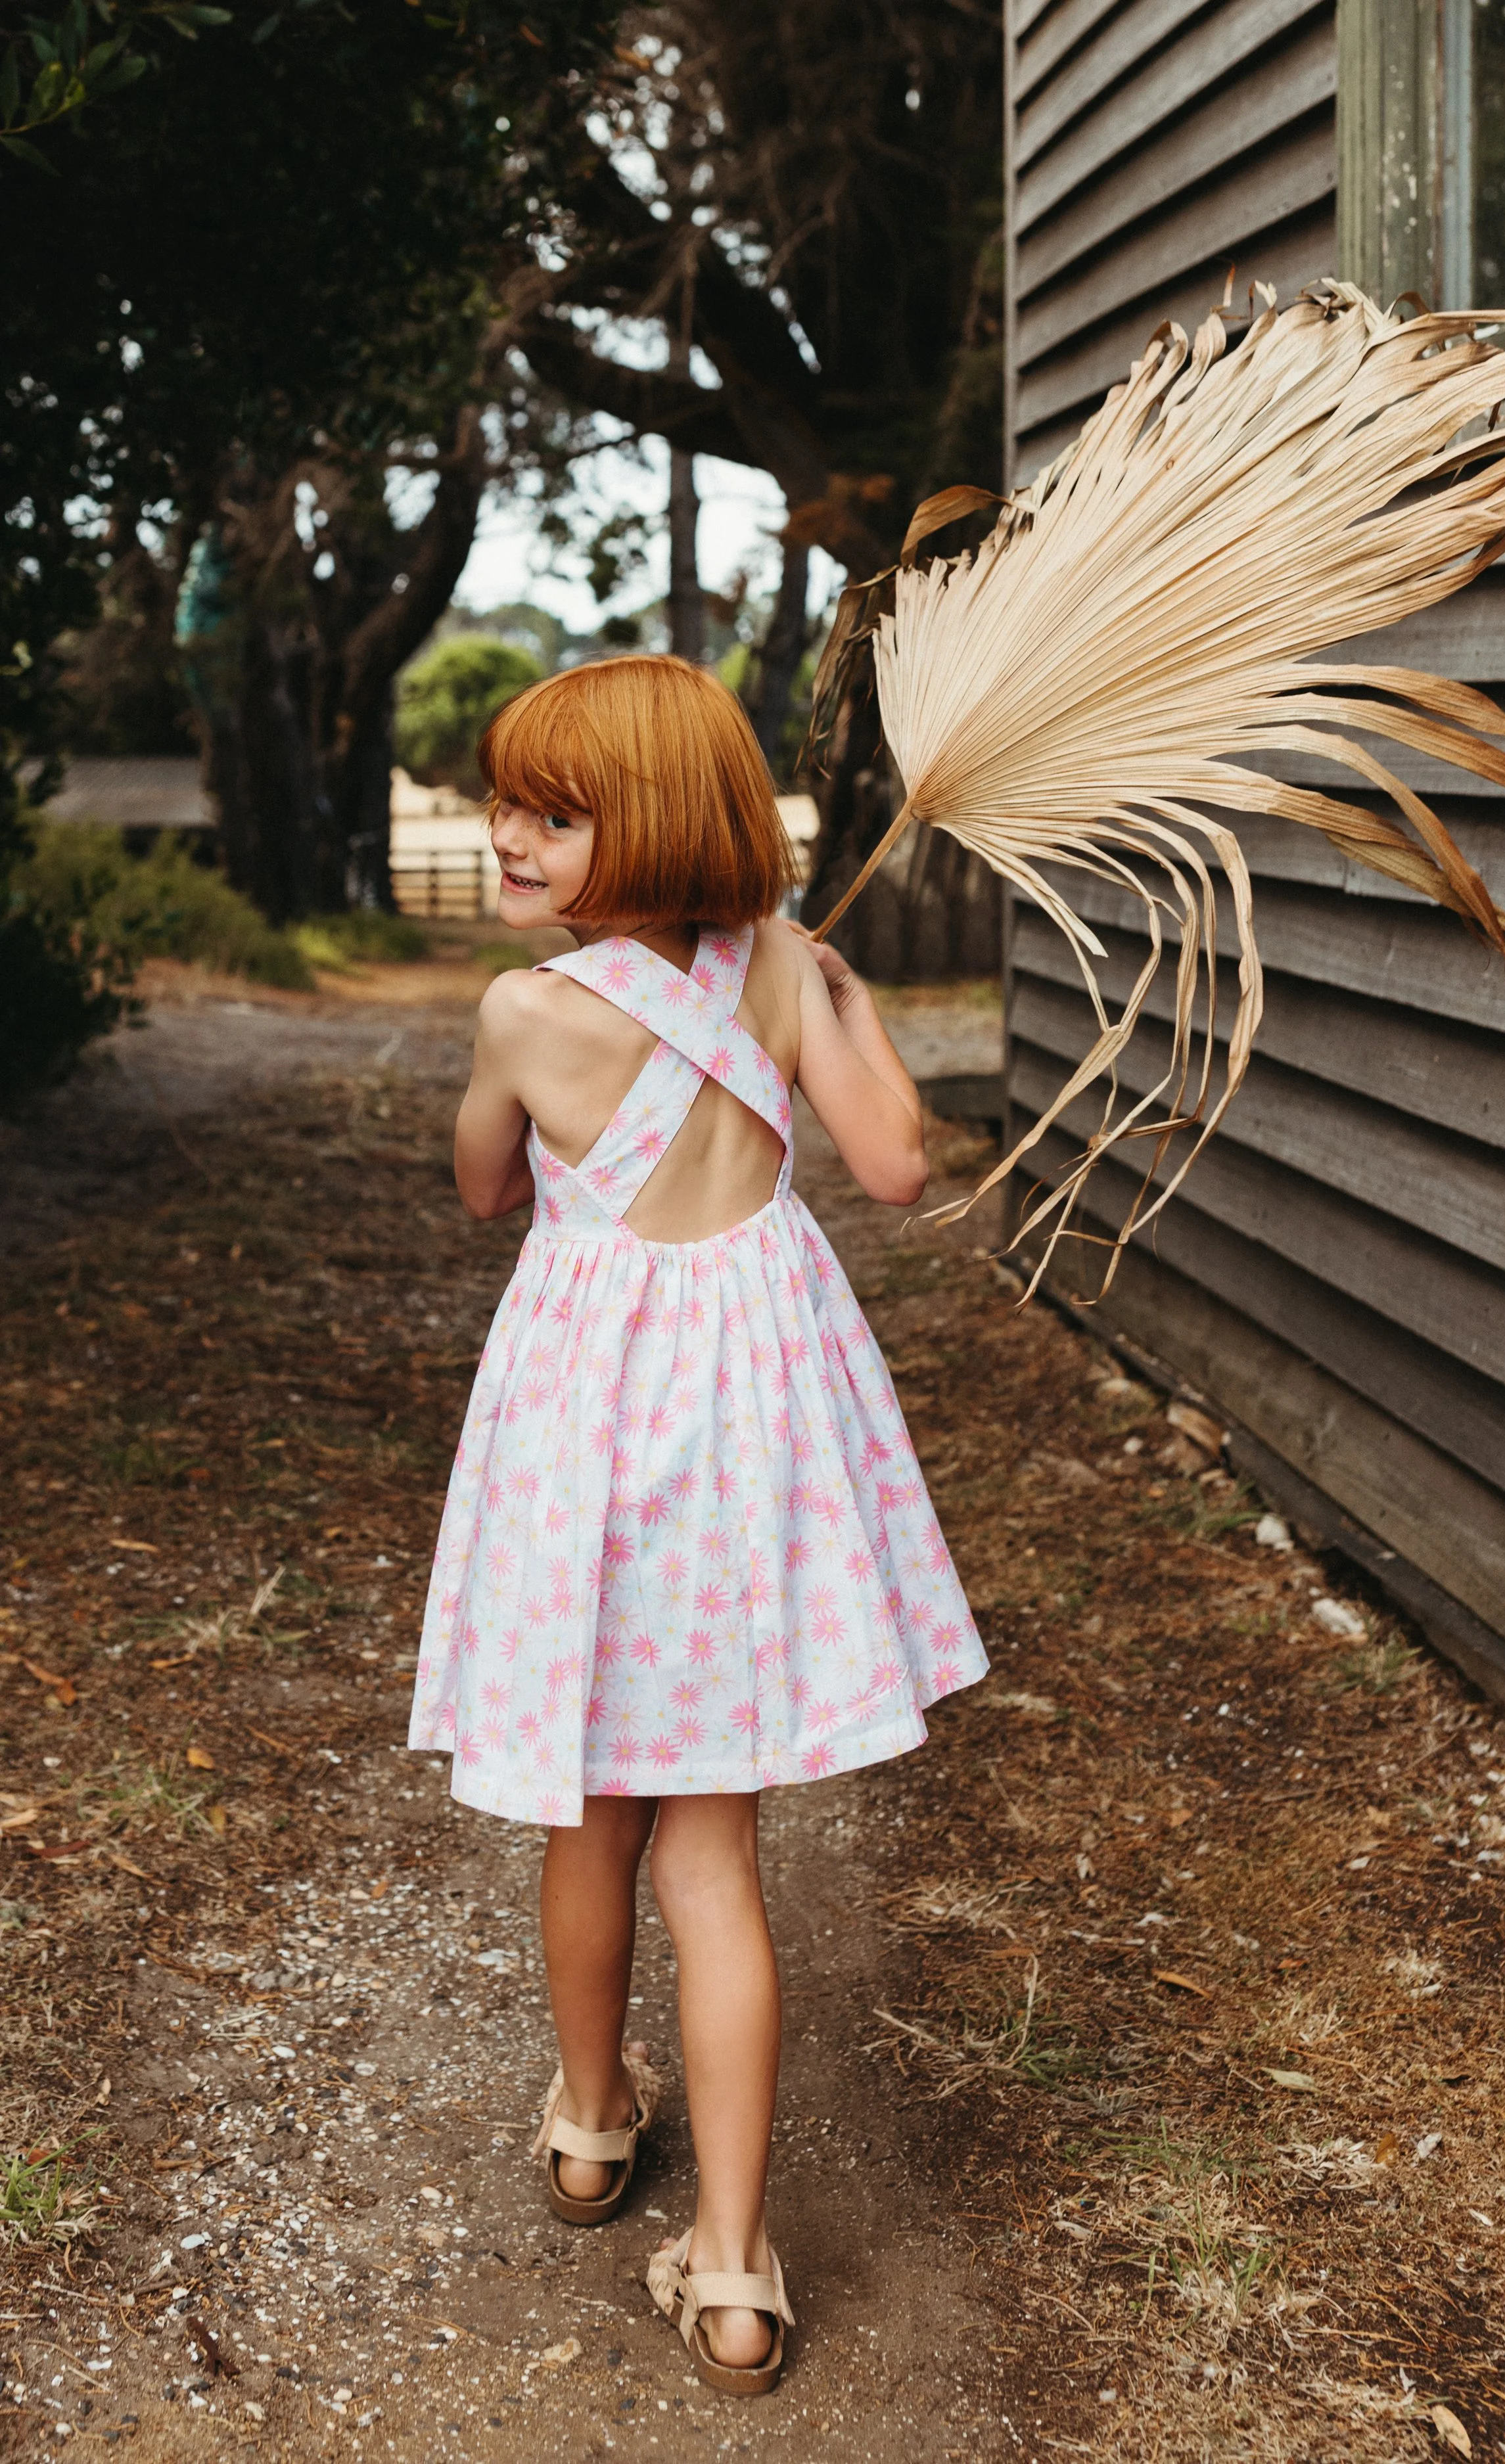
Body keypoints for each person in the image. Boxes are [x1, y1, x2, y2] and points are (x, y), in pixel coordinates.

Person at [407, 655, 987, 2395]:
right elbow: (893, 1169)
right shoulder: (789, 972)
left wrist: (516, 1095)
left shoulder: (526, 1012)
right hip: (747, 1443)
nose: (506, 832)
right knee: (712, 1859)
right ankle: (736, 2266)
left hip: (589, 1446)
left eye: (548, 810)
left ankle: (593, 2122)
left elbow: (483, 1182)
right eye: (504, 798)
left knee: (586, 1811)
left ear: (645, 824)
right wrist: (839, 1004)